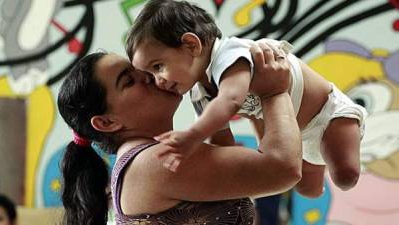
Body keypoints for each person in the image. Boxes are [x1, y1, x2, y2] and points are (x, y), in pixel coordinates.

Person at [126, 0, 368, 197]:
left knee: (345, 176)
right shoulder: (199, 92)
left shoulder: (231, 56)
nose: (157, 80)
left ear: (191, 44)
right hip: (299, 138)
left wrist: (192, 136)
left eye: (158, 66)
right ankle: (319, 162)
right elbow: (222, 142)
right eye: (148, 74)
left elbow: (230, 99)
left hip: (329, 116)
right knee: (308, 190)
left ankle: (336, 152)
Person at [57, 41, 301, 224]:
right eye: (129, 80)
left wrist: (208, 102)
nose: (148, 75)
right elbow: (283, 168)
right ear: (107, 122)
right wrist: (274, 92)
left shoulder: (145, 161)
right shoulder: (155, 162)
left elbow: (236, 177)